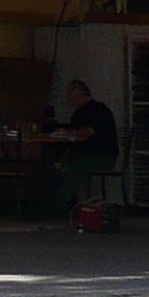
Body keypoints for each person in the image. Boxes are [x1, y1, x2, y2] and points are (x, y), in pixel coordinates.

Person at [51, 79, 122, 209]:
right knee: (59, 165)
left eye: (70, 95)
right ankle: (62, 201)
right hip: (87, 154)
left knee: (72, 167)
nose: (68, 99)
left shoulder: (98, 110)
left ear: (80, 95)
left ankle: (62, 204)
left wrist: (69, 133)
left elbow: (90, 131)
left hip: (103, 156)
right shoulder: (78, 114)